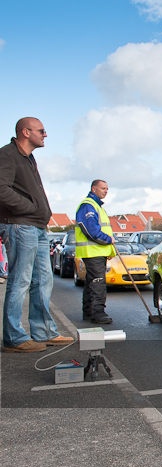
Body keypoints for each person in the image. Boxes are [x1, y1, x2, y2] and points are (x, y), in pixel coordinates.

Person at [1, 117, 73, 352]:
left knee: (42, 280)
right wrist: (30, 207)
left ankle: (43, 332)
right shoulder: (8, 155)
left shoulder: (29, 159)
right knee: (20, 280)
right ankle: (14, 338)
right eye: (41, 130)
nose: (45, 134)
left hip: (38, 227)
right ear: (25, 132)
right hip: (21, 226)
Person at [75, 179, 116, 324]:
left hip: (96, 251)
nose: (106, 191)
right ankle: (98, 313)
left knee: (91, 282)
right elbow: (90, 230)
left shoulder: (96, 205)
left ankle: (88, 312)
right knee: (98, 283)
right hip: (93, 251)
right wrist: (107, 239)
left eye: (107, 189)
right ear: (94, 189)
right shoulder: (88, 205)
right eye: (103, 188)